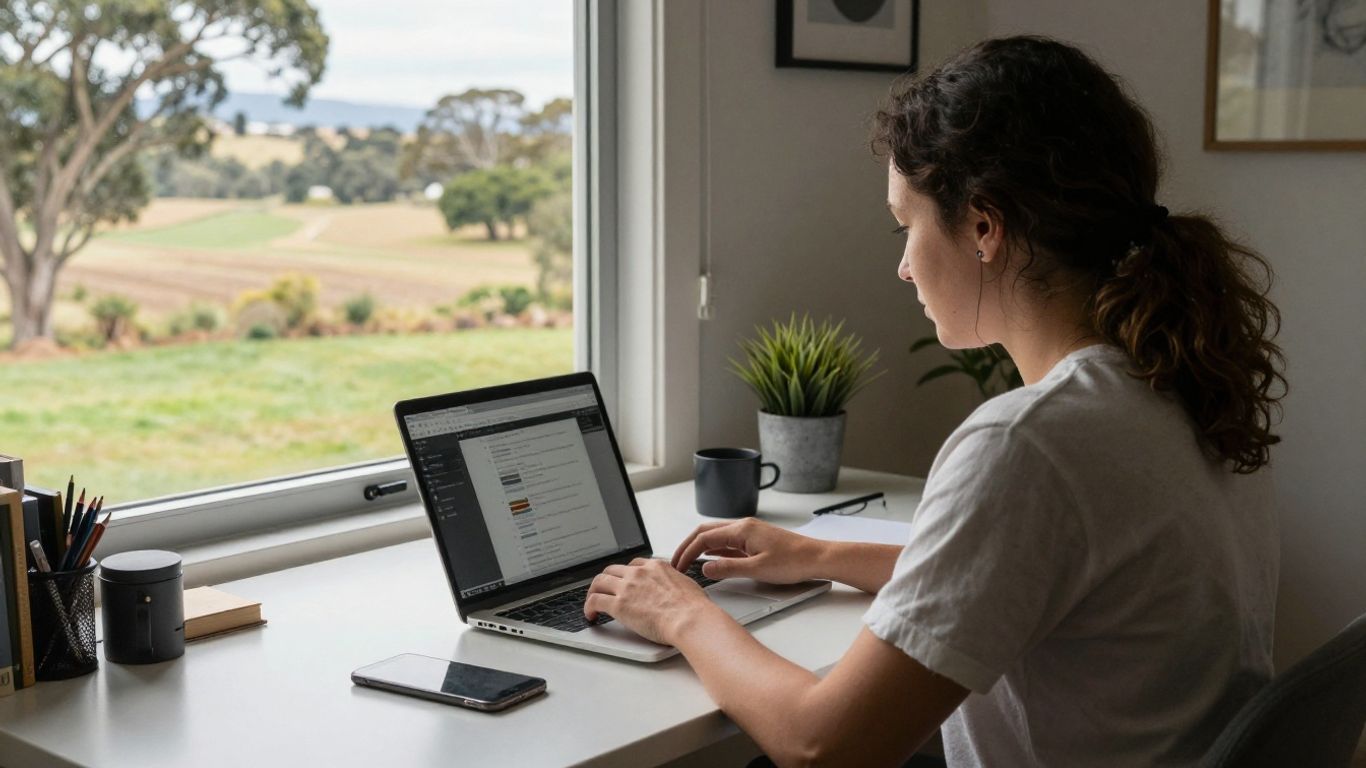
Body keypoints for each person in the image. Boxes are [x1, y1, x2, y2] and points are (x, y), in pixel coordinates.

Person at [583, 36, 1286, 768]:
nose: (902, 265)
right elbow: (1038, 577)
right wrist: (819, 554)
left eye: (905, 224)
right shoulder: (1186, 383)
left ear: (985, 228)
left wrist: (680, 612)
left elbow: (824, 745)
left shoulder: (1030, 443)